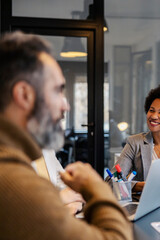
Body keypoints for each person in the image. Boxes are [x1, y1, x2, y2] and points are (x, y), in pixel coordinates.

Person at [0, 31, 132, 239]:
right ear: (24, 95)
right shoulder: (14, 182)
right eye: (57, 90)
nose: (66, 106)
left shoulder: (20, 155)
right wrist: (97, 188)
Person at [32, 149, 85, 215]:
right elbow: (24, 203)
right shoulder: (18, 153)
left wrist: (75, 199)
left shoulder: (47, 150)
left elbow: (61, 180)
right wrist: (59, 198)